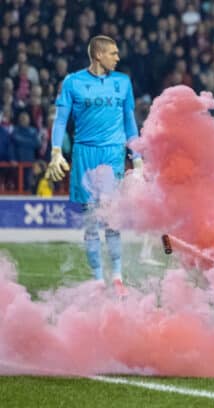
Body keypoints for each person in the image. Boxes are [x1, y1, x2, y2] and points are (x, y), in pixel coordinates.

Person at [46, 35, 143, 294]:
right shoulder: (73, 82)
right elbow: (60, 120)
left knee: (111, 218)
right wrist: (56, 151)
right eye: (113, 53)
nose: (118, 57)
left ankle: (118, 276)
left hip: (113, 154)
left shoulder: (123, 83)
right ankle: (99, 279)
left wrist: (138, 157)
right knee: (91, 219)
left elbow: (129, 122)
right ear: (98, 55)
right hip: (85, 154)